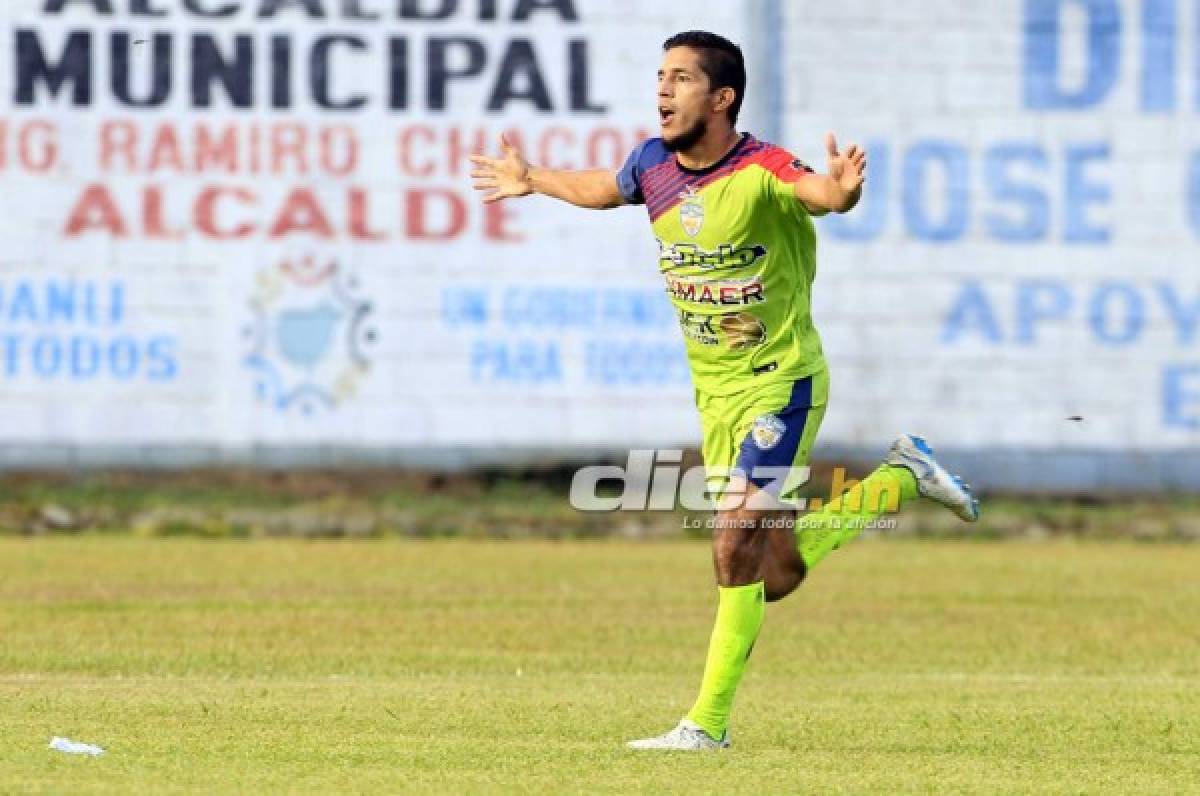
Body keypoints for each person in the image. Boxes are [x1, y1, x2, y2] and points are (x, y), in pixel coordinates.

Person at [471, 30, 979, 751]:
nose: (663, 91)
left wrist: (843, 190)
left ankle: (705, 725)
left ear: (722, 97)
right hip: (717, 397)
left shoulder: (763, 166)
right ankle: (901, 477)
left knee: (731, 535)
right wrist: (536, 178)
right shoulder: (653, 164)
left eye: (680, 78)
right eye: (659, 76)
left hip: (783, 381)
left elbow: (819, 193)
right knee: (773, 574)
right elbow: (605, 189)